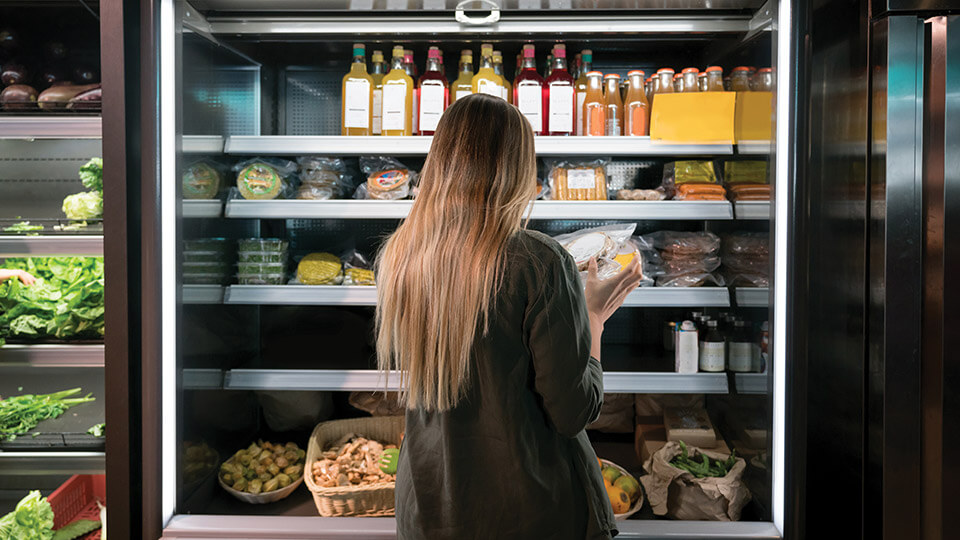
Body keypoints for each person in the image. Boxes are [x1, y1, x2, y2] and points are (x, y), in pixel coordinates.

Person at [376, 93, 645, 540]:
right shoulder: (539, 260)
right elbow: (574, 411)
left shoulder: (401, 255)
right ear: (517, 169)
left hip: (430, 502)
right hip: (527, 507)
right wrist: (593, 317)